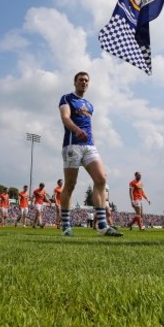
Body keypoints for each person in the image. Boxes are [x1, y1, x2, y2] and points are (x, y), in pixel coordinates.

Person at [58, 71, 122, 237]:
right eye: (81, 80)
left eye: (86, 80)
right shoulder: (67, 98)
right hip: (72, 144)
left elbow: (89, 126)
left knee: (101, 179)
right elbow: (65, 118)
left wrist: (91, 138)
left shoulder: (90, 105)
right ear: (75, 82)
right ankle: (65, 225)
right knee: (70, 185)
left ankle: (102, 225)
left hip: (89, 146)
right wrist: (76, 130)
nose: (84, 83)